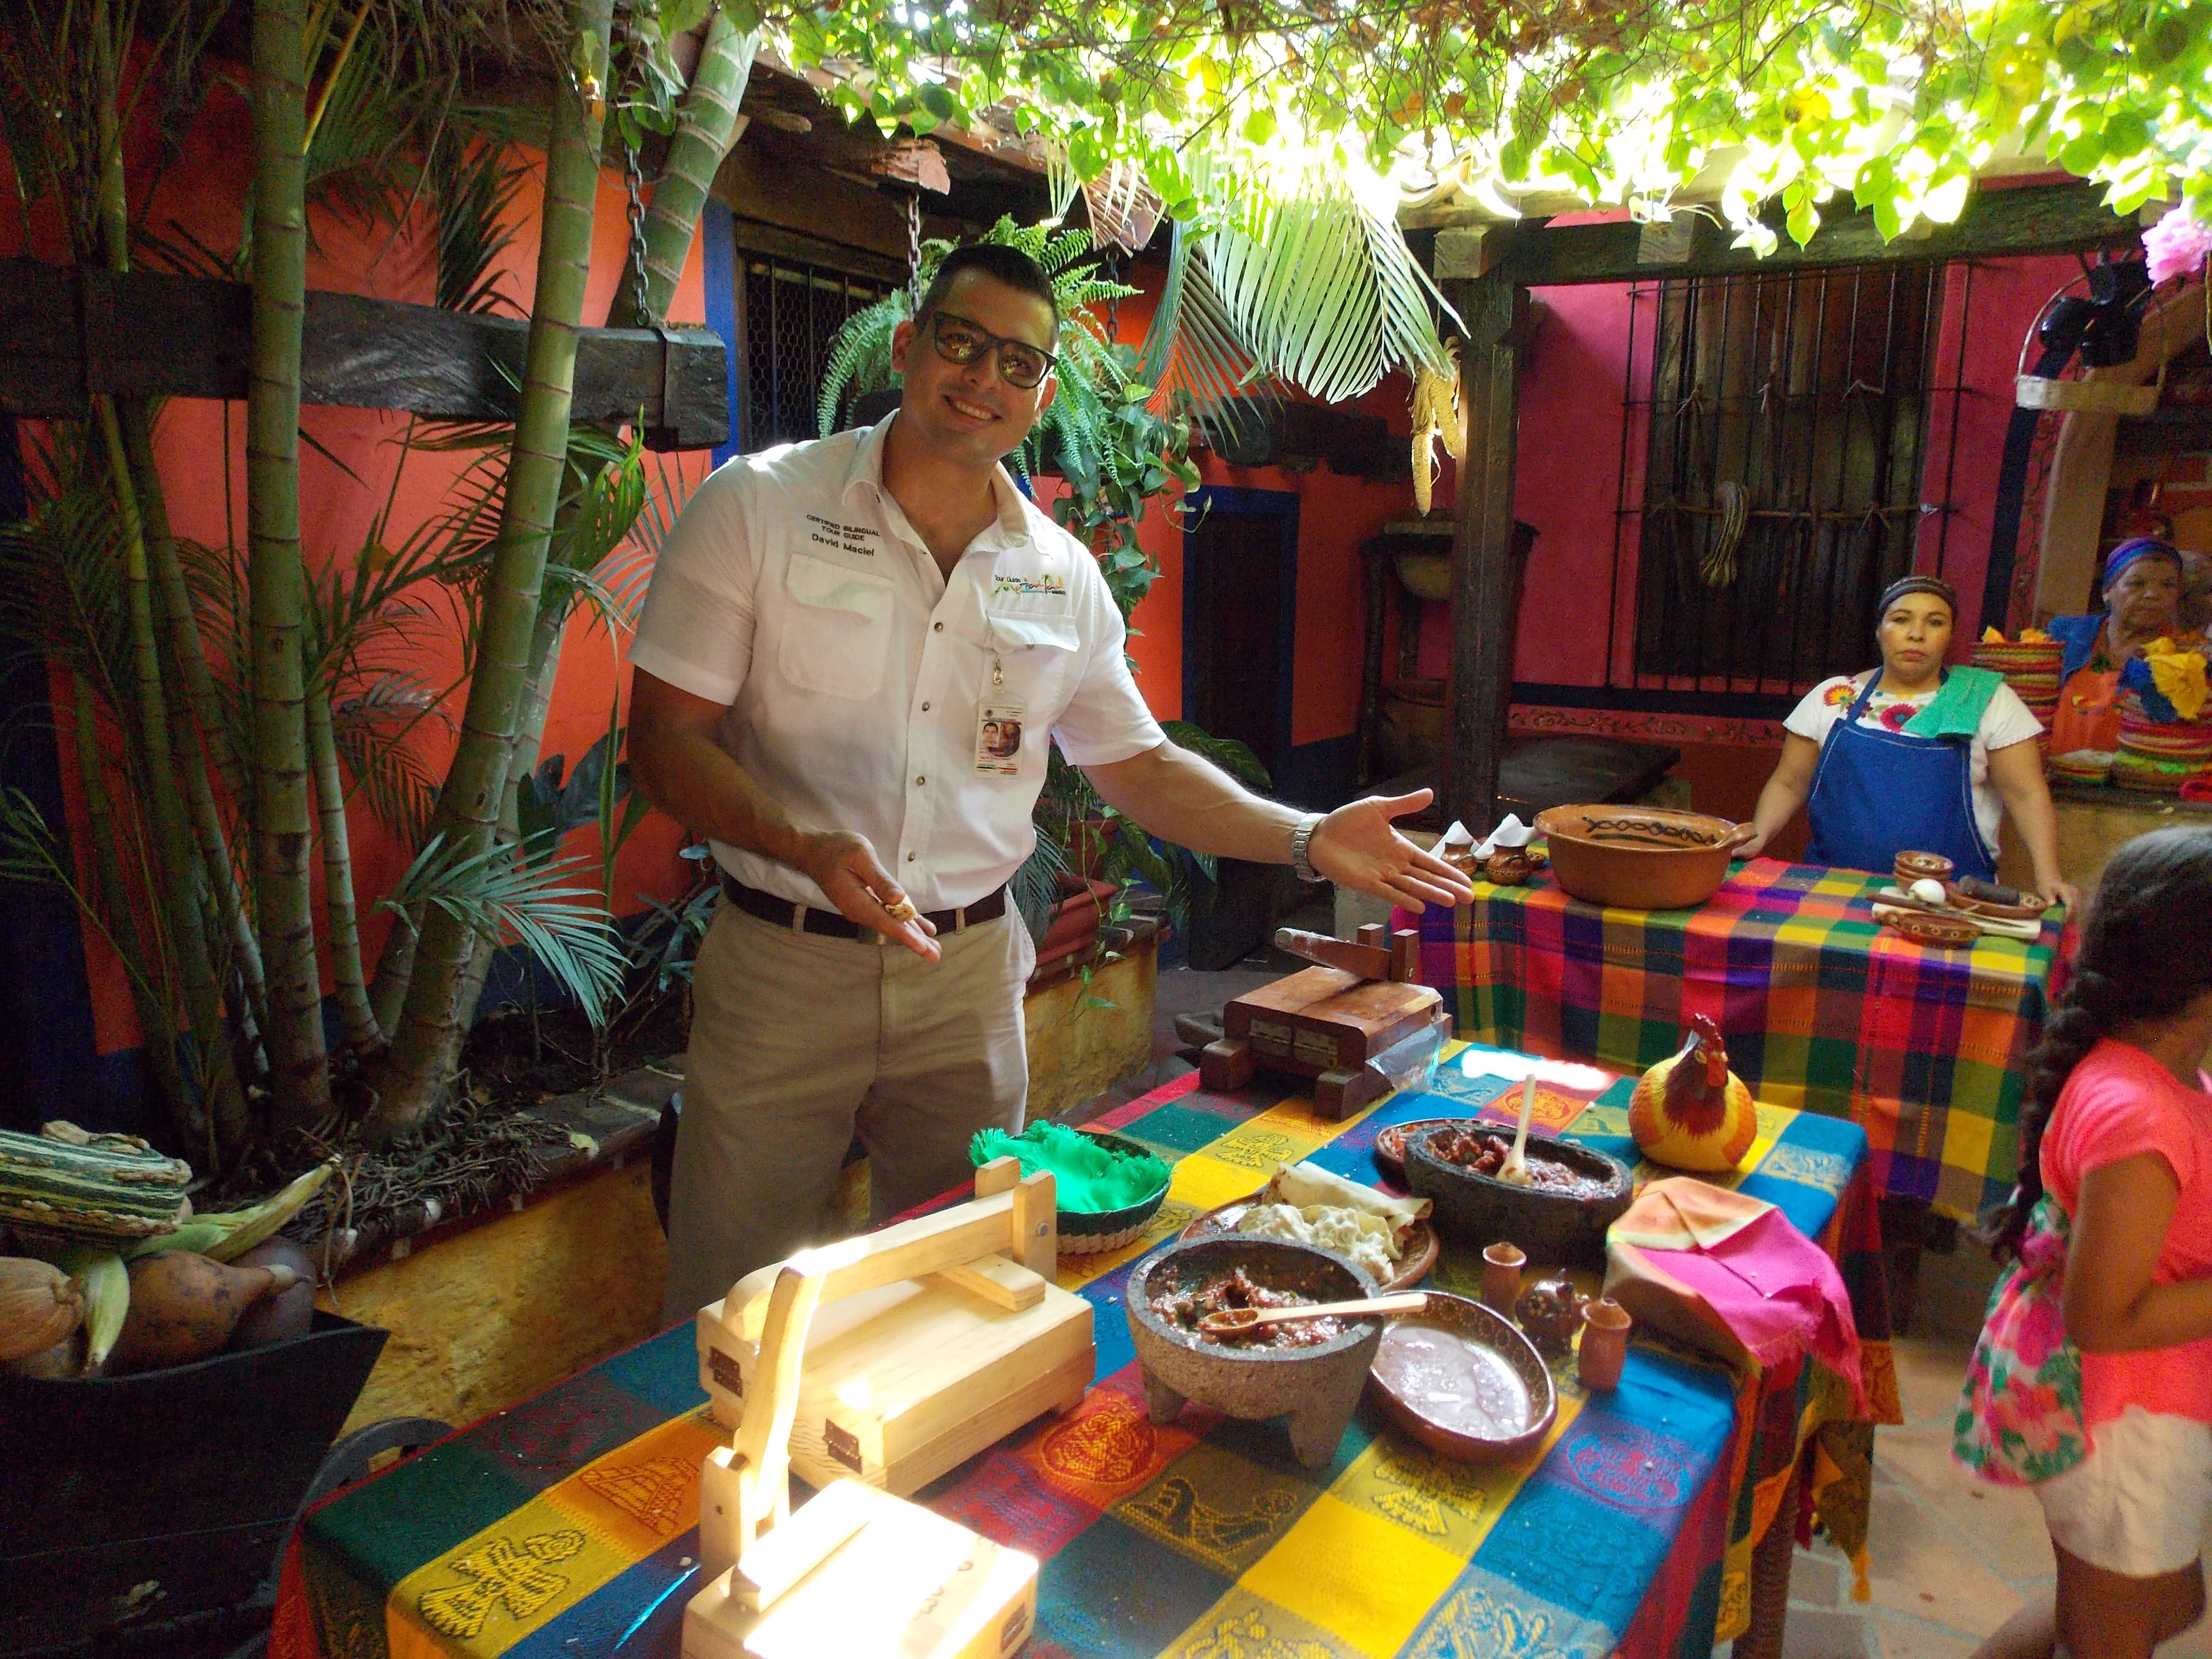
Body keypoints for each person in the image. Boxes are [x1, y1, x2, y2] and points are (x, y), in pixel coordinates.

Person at [627, 243, 1474, 1320]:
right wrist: (805, 846)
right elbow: (662, 742)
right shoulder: (759, 508)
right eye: (961, 342)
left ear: (1043, 395)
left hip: (968, 980)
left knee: (964, 1283)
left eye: (1018, 363)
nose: (984, 378)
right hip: (785, 968)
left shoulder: (1059, 574)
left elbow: (1139, 767)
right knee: (737, 1295)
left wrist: (1307, 838)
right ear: (908, 345)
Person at [1953, 827, 2212, 1659]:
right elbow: (2102, 1319)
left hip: (2134, 1413)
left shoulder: (2162, 1072)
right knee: (2114, 1632)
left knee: (2157, 1607)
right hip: (2124, 1425)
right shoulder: (2141, 1114)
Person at [1737, 574, 2078, 908]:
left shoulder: (1986, 700)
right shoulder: (1832, 697)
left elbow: (2026, 794)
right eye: (1901, 620)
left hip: (1953, 899)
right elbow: (1789, 782)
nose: (1916, 634)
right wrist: (1759, 836)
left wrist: (2048, 874)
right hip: (1833, 888)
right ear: (1880, 631)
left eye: (1935, 622)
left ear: (1950, 636)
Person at [2044, 537, 2210, 757]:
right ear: (2108, 591)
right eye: (2137, 584)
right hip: (2053, 776)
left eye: (2168, 585)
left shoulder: (2191, 656)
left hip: (2139, 783)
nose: (2153, 594)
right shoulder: (2068, 636)